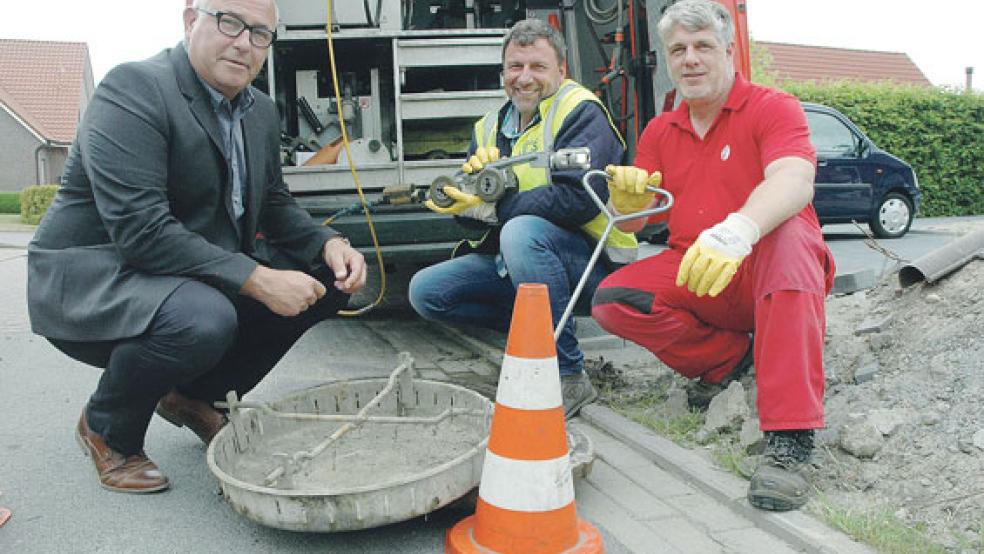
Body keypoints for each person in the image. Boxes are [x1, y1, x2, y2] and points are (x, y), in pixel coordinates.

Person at [26, 0, 366, 494]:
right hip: (98, 276)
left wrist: (330, 243)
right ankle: (107, 427)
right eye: (229, 22)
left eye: (259, 33)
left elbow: (272, 201)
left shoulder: (260, 112)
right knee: (203, 317)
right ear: (191, 21)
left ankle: (194, 395)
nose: (244, 42)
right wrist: (257, 278)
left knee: (328, 280)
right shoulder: (133, 90)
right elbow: (141, 230)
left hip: (180, 275)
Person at [592, 0, 835, 511]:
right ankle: (733, 360)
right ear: (667, 58)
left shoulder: (773, 107)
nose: (690, 59)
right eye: (678, 49)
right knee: (614, 300)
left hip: (766, 268)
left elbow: (795, 179)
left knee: (791, 239)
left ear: (729, 51)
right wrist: (626, 203)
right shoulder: (661, 130)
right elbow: (634, 226)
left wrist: (741, 228)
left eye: (703, 46)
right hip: (702, 274)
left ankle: (790, 438)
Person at [408, 18, 635, 419]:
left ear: (561, 71)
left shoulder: (579, 111)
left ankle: (569, 374)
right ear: (503, 72)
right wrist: (463, 206)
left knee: (520, 231)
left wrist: (497, 209)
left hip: (593, 269)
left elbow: (579, 200)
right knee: (426, 292)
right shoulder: (489, 127)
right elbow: (479, 217)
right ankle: (533, 340)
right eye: (515, 67)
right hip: (522, 264)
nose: (524, 78)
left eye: (537, 67)